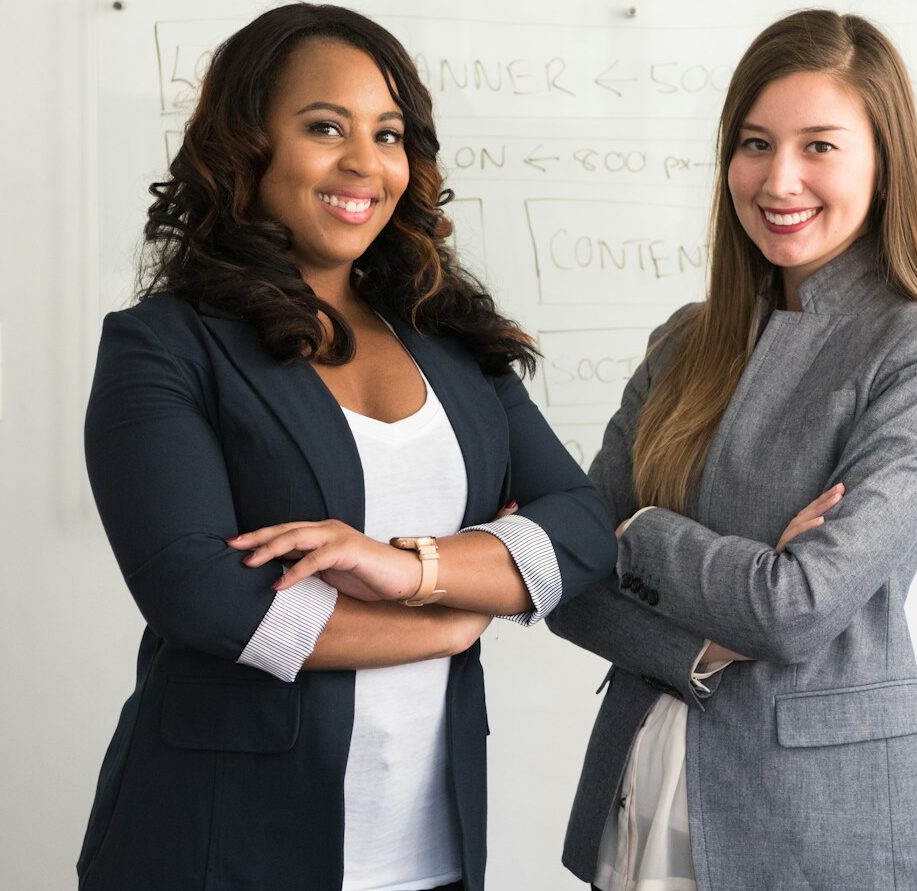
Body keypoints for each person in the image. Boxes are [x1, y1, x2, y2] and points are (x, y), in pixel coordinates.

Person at [75, 5, 615, 890]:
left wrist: (412, 570)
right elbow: (201, 593)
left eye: (389, 133)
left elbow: (583, 530)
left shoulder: (452, 344)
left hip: (429, 852)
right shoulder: (165, 344)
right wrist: (448, 624)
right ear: (248, 145)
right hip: (221, 846)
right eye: (326, 127)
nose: (366, 163)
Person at [547, 9, 917, 890]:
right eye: (755, 143)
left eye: (819, 145)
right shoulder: (682, 342)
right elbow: (564, 578)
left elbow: (796, 607)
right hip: (646, 773)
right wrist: (702, 644)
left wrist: (635, 528)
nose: (779, 178)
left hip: (823, 813)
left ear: (882, 159)